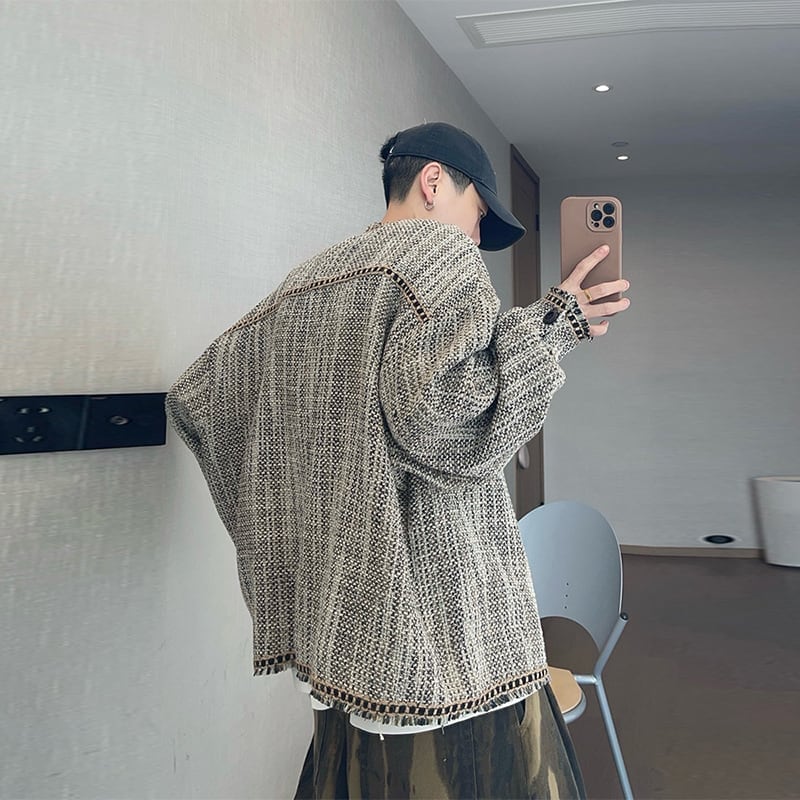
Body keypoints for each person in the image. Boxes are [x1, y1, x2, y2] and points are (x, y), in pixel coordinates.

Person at [166, 121, 631, 799]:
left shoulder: (304, 283)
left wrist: (290, 526)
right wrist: (552, 325)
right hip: (441, 642)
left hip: (337, 634)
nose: (476, 235)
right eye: (479, 213)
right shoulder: (439, 257)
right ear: (434, 182)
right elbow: (450, 429)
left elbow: (200, 396)